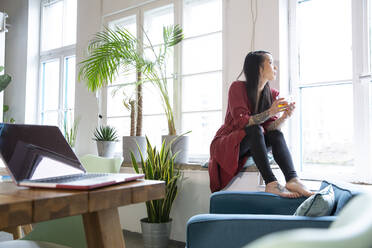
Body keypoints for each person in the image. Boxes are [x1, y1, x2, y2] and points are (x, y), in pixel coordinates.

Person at [208, 50, 313, 198]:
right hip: (228, 143)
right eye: (270, 63)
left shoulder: (272, 94)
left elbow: (269, 128)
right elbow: (242, 122)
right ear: (259, 68)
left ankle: (292, 179)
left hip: (253, 141)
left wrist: (284, 117)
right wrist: (271, 112)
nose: (275, 67)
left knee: (275, 133)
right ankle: (271, 183)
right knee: (255, 129)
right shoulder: (237, 88)